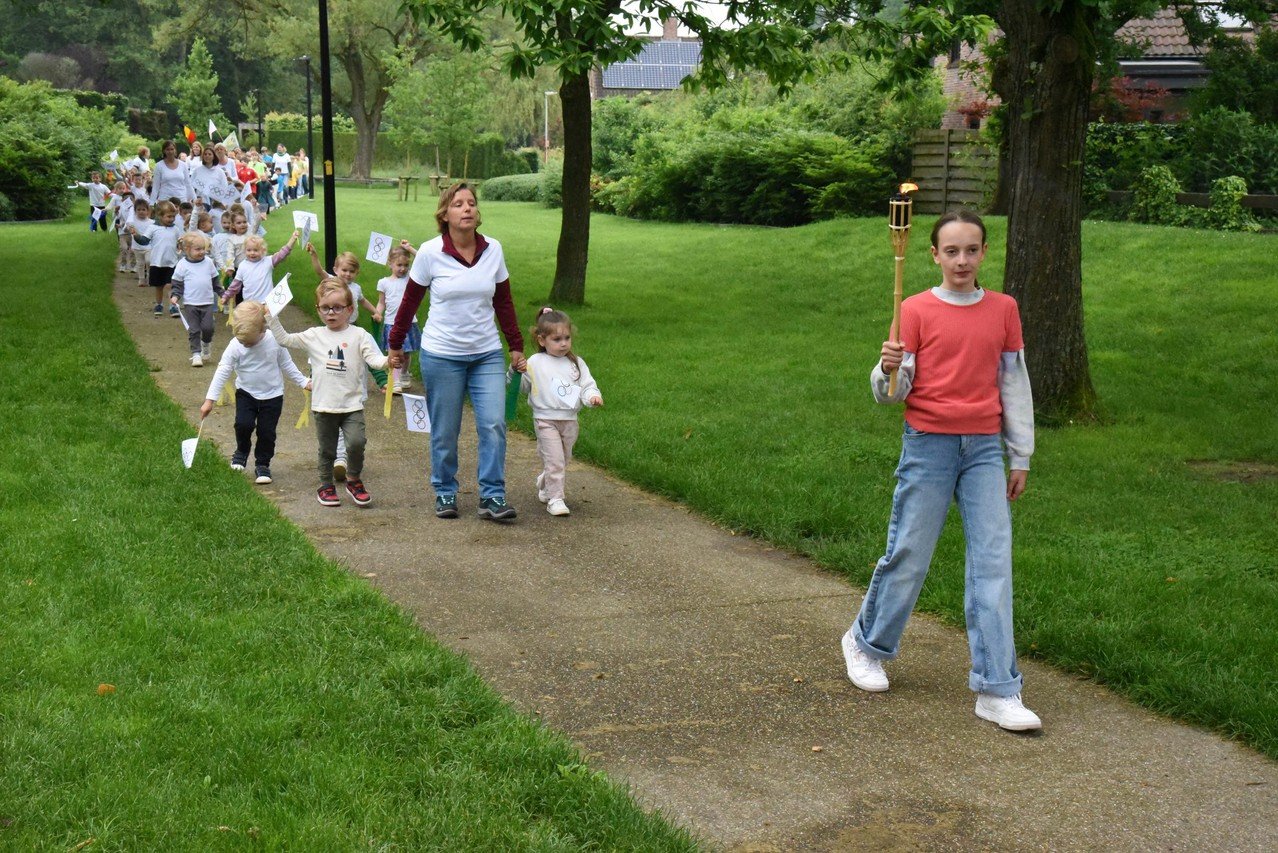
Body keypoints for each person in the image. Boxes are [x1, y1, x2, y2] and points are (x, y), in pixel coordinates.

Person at [841, 208, 1041, 732]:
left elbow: (1013, 385)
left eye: (971, 250)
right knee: (909, 551)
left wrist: (1019, 454)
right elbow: (892, 395)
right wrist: (886, 368)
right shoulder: (914, 309)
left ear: (984, 253)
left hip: (981, 452)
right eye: (951, 251)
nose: (961, 260)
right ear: (933, 254)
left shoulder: (1003, 309)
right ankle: (866, 644)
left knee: (994, 562)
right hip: (928, 444)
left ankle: (998, 689)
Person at [388, 182, 526, 521]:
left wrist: (515, 346)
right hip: (442, 355)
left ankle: (492, 495)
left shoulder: (493, 249)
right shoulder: (431, 252)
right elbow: (410, 301)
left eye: (471, 203)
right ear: (444, 214)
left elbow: (503, 301)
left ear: (477, 213)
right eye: (458, 204)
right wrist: (395, 343)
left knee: (493, 423)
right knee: (445, 429)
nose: (466, 208)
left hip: (486, 353)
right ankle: (445, 490)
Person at [267, 279, 390, 508]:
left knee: (356, 442)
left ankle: (354, 479)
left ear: (350, 310)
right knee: (327, 449)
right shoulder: (314, 335)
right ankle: (325, 485)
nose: (331, 313)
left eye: (337, 307)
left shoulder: (360, 335)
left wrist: (388, 361)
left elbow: (374, 359)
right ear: (318, 309)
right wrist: (270, 317)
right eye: (325, 308)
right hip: (324, 406)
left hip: (352, 405)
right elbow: (284, 339)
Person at [201, 301, 310, 484]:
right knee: (243, 425)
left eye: (248, 342)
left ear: (262, 330)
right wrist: (209, 400)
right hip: (246, 393)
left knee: (267, 432)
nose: (244, 344)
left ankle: (262, 464)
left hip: (273, 396)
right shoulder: (235, 345)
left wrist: (303, 381)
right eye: (242, 341)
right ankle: (241, 451)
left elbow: (286, 364)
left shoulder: (274, 340)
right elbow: (223, 370)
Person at [520, 307, 603, 517]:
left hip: (569, 421)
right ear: (542, 340)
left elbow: (587, 385)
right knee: (555, 460)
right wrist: (516, 372)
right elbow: (523, 388)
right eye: (557, 339)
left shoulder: (576, 363)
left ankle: (545, 481)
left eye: (567, 338)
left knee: (563, 459)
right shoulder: (535, 363)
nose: (564, 343)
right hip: (545, 419)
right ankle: (556, 499)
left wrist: (592, 397)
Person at [169, 232, 224, 366]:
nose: (202, 252)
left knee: (208, 328)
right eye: (198, 249)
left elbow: (215, 281)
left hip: (207, 302)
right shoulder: (182, 265)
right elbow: (177, 284)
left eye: (203, 249)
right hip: (190, 303)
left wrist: (223, 294)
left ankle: (206, 343)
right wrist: (175, 296)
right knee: (194, 329)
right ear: (187, 250)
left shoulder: (209, 262)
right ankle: (196, 354)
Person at [374, 244, 418, 393]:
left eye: (406, 265)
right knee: (394, 353)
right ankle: (395, 379)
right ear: (390, 263)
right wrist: (378, 313)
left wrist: (410, 248)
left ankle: (404, 373)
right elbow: (381, 302)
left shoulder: (410, 278)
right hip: (391, 323)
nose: (403, 269)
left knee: (406, 352)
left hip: (408, 322)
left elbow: (423, 260)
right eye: (399, 265)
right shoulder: (383, 282)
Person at [131, 199, 183, 317]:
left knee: (171, 285)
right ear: (160, 216)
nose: (172, 219)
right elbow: (144, 241)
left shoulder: (175, 229)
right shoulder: (153, 228)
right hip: (157, 262)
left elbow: (179, 243)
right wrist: (135, 235)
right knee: (159, 286)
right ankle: (159, 304)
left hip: (172, 262)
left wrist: (182, 244)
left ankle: (173, 306)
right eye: (169, 216)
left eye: (173, 216)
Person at [223, 231, 299, 307]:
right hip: (249, 304)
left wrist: (292, 239)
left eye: (255, 250)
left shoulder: (268, 261)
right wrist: (226, 296)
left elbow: (282, 254)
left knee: (270, 319)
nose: (252, 253)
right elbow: (235, 285)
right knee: (251, 319)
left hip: (267, 304)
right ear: (244, 250)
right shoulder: (242, 266)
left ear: (263, 251)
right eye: (249, 250)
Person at [148, 141, 194, 205]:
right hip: (165, 201)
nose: (170, 151)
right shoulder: (159, 166)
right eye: (167, 149)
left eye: (172, 149)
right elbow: (156, 186)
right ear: (164, 151)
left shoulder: (183, 165)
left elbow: (188, 184)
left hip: (181, 200)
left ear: (175, 150)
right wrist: (151, 203)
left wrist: (194, 199)